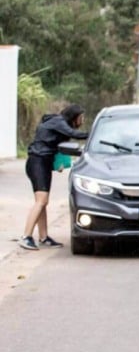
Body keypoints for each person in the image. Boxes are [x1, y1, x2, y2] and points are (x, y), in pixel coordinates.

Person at [19, 104, 88, 250]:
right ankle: (26, 237)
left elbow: (55, 146)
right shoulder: (59, 121)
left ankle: (43, 237)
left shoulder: (57, 123)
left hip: (42, 163)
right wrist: (94, 134)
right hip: (37, 162)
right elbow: (75, 134)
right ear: (74, 116)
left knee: (43, 202)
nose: (82, 121)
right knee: (41, 202)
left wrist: (59, 163)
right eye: (81, 118)